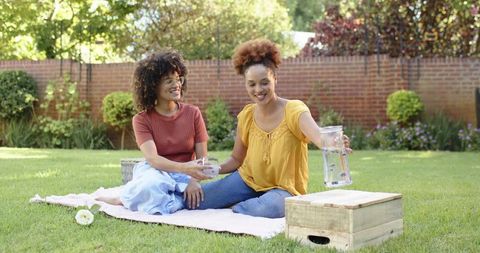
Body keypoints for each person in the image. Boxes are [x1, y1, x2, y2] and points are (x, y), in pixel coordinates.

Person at [194, 39, 351, 218]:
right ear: (245, 84)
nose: (258, 89)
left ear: (275, 79)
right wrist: (214, 169)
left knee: (270, 208)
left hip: (284, 190)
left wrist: (334, 142)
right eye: (251, 84)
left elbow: (319, 136)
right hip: (247, 181)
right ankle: (246, 202)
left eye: (264, 82)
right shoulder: (246, 115)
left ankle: (238, 207)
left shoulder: (294, 110)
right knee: (199, 199)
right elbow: (236, 159)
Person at [97, 49, 211, 214]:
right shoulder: (141, 119)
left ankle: (136, 197)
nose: (176, 84)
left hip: (186, 173)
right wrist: (185, 169)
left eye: (178, 79)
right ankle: (123, 198)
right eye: (168, 80)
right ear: (152, 85)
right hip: (155, 171)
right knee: (153, 185)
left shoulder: (193, 113)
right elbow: (153, 159)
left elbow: (202, 159)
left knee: (168, 195)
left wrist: (193, 180)